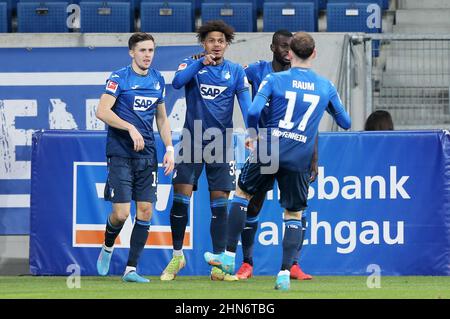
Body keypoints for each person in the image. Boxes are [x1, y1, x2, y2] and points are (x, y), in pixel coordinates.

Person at [204, 32, 351, 290]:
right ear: (314, 54)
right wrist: (324, 106)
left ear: (290, 54)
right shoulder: (325, 86)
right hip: (299, 155)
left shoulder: (274, 79)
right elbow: (346, 123)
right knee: (293, 213)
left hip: (269, 147)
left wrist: (252, 135)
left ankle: (227, 257)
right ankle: (284, 273)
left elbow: (252, 110)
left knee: (242, 195)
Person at [160, 20, 251, 281]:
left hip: (221, 143)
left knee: (220, 203)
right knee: (180, 199)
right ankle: (177, 257)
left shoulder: (235, 72)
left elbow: (245, 105)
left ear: (226, 44)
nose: (217, 45)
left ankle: (218, 262)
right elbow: (177, 83)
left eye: (221, 41)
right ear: (204, 43)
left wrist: (252, 133)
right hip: (191, 139)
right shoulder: (191, 65)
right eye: (211, 41)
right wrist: (200, 63)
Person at [236, 29, 316, 281]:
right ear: (273, 48)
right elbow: (231, 77)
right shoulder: (257, 71)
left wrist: (314, 157)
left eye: (290, 46)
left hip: (296, 150)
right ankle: (247, 263)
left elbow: (310, 122)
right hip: (265, 149)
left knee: (296, 208)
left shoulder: (303, 79)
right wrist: (205, 60)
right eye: (282, 46)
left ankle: (293, 265)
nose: (287, 51)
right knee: (253, 203)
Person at [95, 32, 175, 283]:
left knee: (145, 211)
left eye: (151, 50)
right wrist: (130, 127)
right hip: (120, 152)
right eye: (142, 50)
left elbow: (161, 118)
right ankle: (108, 246)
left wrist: (170, 148)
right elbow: (102, 111)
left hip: (147, 154)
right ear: (132, 52)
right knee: (120, 214)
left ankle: (131, 269)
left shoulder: (158, 79)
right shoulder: (119, 78)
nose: (147, 55)